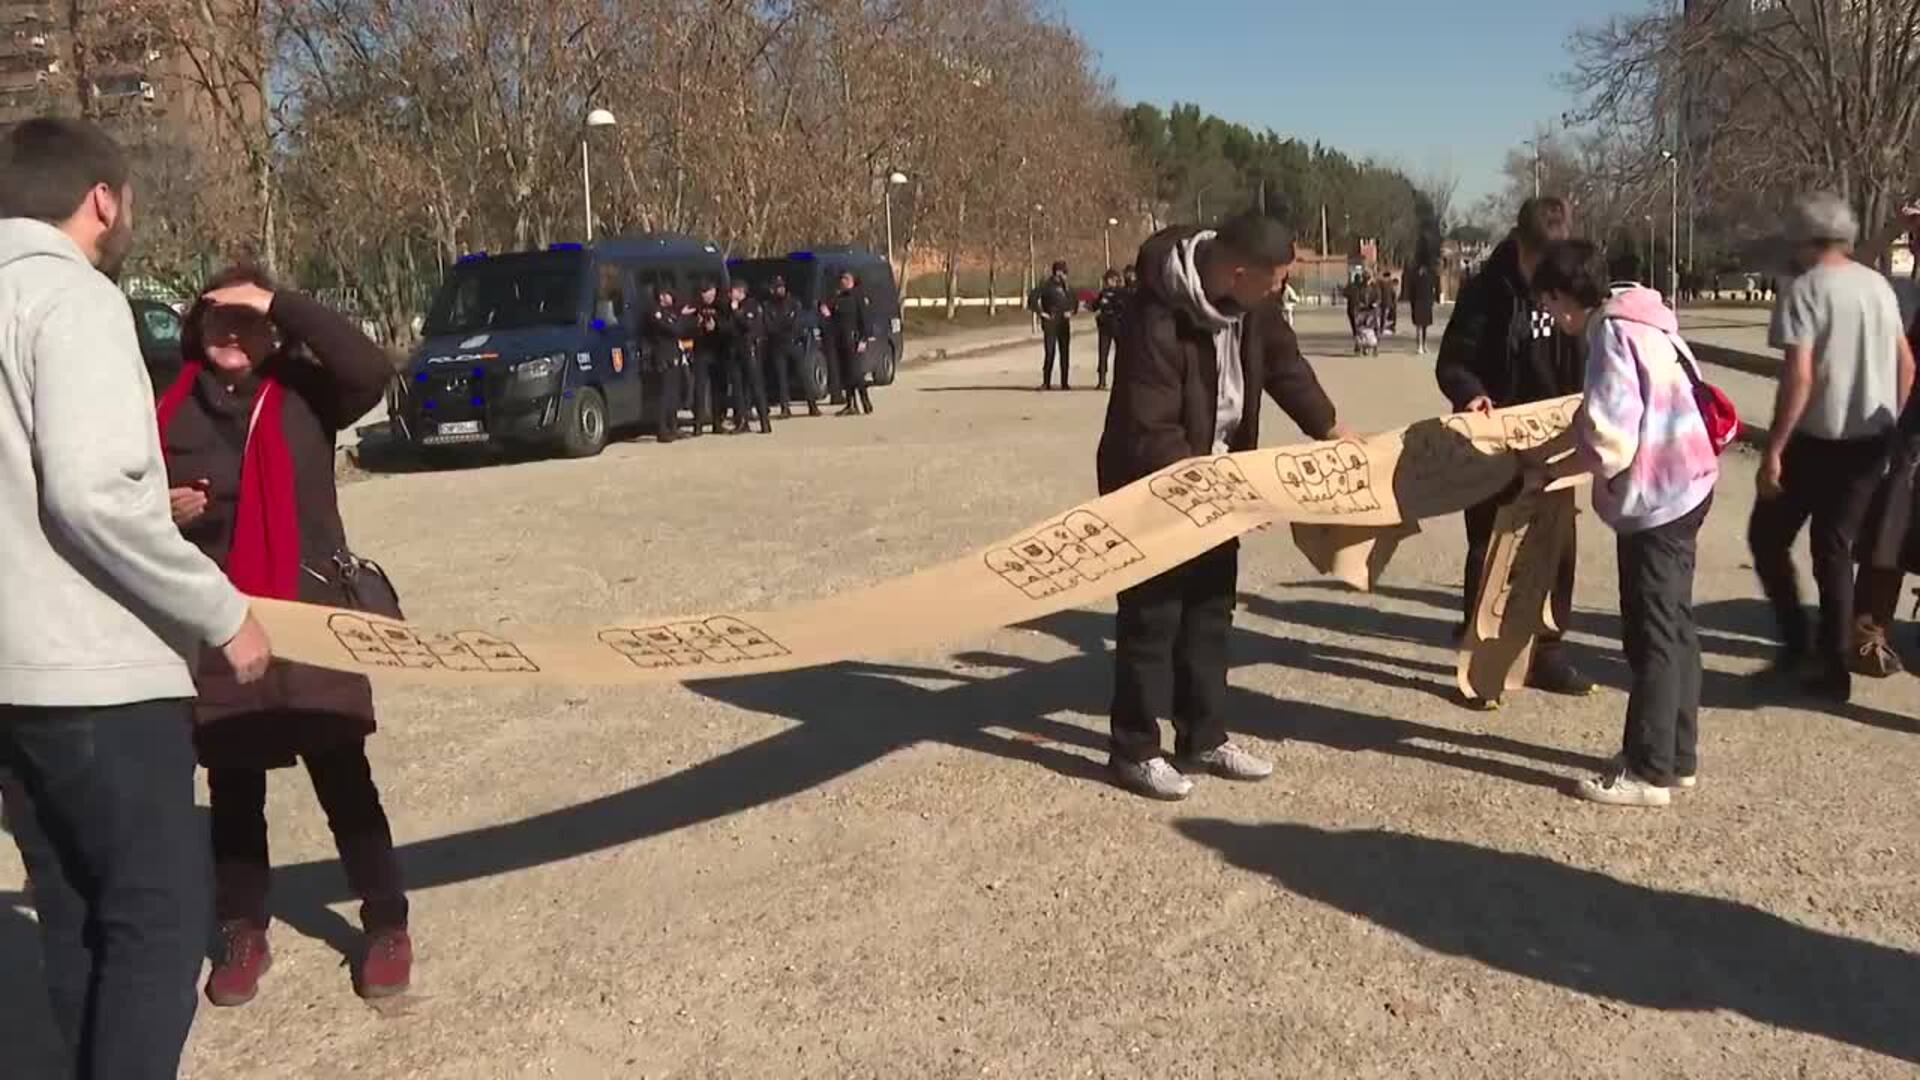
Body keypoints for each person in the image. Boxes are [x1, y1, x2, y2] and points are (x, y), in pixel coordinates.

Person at [0, 116, 273, 1078]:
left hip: (11, 681)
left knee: (74, 915)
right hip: (97, 675)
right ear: (102, 198)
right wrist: (217, 607)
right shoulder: (73, 300)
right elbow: (87, 491)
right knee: (158, 925)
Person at [153, 265, 412, 1006]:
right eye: (218, 320)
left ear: (272, 330)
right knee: (234, 787)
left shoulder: (306, 391)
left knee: (344, 780)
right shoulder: (167, 406)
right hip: (219, 621)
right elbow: (120, 503)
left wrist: (278, 302)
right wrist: (161, 514)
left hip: (310, 617)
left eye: (248, 322)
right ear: (195, 328)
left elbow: (370, 364)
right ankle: (243, 929)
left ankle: (387, 921)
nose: (231, 335)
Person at [1096, 210, 1353, 801]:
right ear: (1238, 273)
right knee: (1151, 618)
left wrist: (1333, 429)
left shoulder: (1253, 306)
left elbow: (1286, 367)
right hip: (1154, 482)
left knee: (1211, 612)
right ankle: (1133, 749)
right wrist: (1212, 490)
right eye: (1277, 281)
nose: (1282, 292)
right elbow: (1150, 427)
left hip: (1219, 480)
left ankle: (1204, 737)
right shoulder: (1157, 313)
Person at [1522, 240, 1720, 808]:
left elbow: (1610, 439)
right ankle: (1676, 756)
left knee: (1651, 631)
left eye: (1549, 307)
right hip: (1691, 479)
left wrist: (1552, 471)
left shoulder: (1609, 335)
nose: (1552, 321)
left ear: (1561, 298)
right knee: (1675, 625)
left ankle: (1648, 771)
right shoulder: (1643, 315)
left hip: (1657, 492)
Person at [1749, 192, 1915, 701]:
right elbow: (1907, 364)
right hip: (1871, 441)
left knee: (1768, 537)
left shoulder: (1805, 290)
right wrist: (1891, 422)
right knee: (1835, 550)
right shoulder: (1878, 288)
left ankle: (1800, 641)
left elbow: (1799, 375)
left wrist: (1775, 446)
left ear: (1803, 239)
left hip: (1816, 439)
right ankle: (1832, 664)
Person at [1435, 195, 1593, 701]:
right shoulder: (1484, 292)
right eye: (1538, 263)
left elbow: (1587, 360)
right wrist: (1471, 394)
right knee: (1489, 547)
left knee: (1558, 546)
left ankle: (1547, 651)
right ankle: (1483, 661)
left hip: (1555, 438)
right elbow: (1453, 362)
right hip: (1496, 438)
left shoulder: (1569, 289)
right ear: (1520, 246)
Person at [761, 275, 818, 419]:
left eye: (781, 287)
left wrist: (786, 328)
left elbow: (797, 323)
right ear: (772, 290)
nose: (779, 290)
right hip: (777, 345)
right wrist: (780, 328)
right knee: (781, 378)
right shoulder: (768, 306)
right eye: (776, 288)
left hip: (793, 343)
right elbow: (768, 325)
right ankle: (785, 408)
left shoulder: (793, 303)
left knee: (803, 375)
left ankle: (812, 405)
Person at [720, 280, 773, 434]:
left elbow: (748, 324)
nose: (730, 294)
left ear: (740, 291)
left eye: (733, 291)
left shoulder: (751, 305)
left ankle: (764, 421)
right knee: (738, 388)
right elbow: (728, 327)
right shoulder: (728, 307)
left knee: (756, 386)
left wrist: (736, 312)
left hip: (749, 349)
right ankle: (742, 421)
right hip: (735, 351)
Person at [643, 287, 693, 442]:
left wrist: (680, 318)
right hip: (662, 357)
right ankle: (662, 429)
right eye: (669, 295)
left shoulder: (671, 312)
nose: (671, 299)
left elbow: (681, 329)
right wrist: (682, 317)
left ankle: (673, 426)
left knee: (674, 394)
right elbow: (673, 329)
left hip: (674, 356)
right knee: (664, 395)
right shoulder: (656, 312)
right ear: (663, 296)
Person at [822, 270, 873, 416]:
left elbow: (864, 319)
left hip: (854, 339)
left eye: (845, 278)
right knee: (846, 374)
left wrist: (864, 338)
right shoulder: (838, 297)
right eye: (841, 279)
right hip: (840, 340)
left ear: (851, 281)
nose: (842, 281)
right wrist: (827, 313)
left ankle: (865, 401)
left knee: (856, 373)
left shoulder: (857, 296)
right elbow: (832, 316)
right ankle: (851, 404)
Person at [1031, 259, 1077, 389]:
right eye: (1063, 272)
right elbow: (1032, 299)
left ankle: (1064, 382)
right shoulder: (1046, 285)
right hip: (1051, 322)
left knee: (1065, 353)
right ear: (1057, 272)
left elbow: (1075, 302)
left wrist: (1072, 312)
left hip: (1064, 323)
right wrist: (1041, 313)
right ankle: (1046, 382)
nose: (1064, 275)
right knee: (1050, 352)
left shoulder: (1067, 287)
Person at [690, 280, 725, 435]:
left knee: (717, 389)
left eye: (709, 292)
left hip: (717, 352)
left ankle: (717, 422)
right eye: (703, 292)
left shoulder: (722, 306)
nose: (706, 295)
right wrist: (696, 325)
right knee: (699, 389)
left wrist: (716, 327)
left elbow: (729, 327)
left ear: (714, 291)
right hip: (701, 352)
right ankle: (698, 425)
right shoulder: (695, 307)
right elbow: (685, 327)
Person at [1091, 267, 1126, 390]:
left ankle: (1121, 380)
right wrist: (1094, 305)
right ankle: (1102, 380)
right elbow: (1095, 306)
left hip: (1117, 326)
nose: (1109, 282)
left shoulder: (1121, 292)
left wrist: (1112, 307)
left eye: (1111, 280)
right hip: (1104, 327)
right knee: (1103, 353)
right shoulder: (1103, 293)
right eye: (1108, 280)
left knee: (1121, 354)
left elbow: (1123, 307)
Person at [1404, 260, 1437, 355]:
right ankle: (1421, 346)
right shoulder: (1425, 279)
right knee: (1421, 327)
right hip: (1423, 304)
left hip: (1421, 304)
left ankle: (1422, 346)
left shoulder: (1417, 280)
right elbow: (1432, 293)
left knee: (1421, 327)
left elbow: (1412, 294)